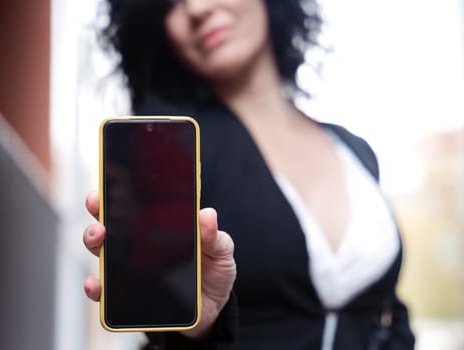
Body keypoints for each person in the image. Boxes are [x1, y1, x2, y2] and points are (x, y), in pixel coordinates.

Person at [83, 0, 415, 349]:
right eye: (169, 4)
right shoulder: (172, 151)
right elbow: (164, 308)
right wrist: (199, 328)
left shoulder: (354, 148)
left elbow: (388, 311)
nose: (196, 8)